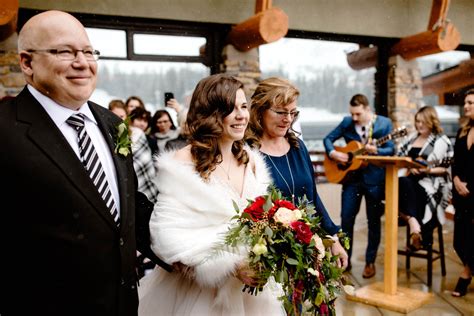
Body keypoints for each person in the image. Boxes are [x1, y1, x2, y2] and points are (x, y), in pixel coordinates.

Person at [0, 10, 169, 316]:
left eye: (89, 51)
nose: (83, 62)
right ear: (27, 63)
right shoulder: (5, 132)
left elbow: (127, 210)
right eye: (65, 51)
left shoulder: (112, 124)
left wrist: (194, 259)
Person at [138, 74, 284, 315]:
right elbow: (166, 236)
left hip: (254, 296)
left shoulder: (253, 161)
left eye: (244, 107)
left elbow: (262, 222)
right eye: (231, 109)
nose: (241, 116)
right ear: (211, 113)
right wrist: (230, 265)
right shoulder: (183, 163)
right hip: (199, 296)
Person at [246, 77, 348, 269]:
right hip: (268, 259)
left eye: (293, 113)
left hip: (305, 254)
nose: (288, 119)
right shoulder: (248, 153)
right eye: (281, 112)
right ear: (260, 111)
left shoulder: (298, 146)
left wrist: (332, 238)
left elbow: (312, 197)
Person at [323, 93, 394, 278]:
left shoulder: (384, 124)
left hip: (374, 180)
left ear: (367, 109)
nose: (354, 118)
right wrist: (333, 153)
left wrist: (376, 149)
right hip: (351, 179)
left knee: (373, 222)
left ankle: (369, 262)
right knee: (346, 219)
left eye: (358, 114)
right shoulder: (347, 122)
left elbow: (391, 149)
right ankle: (344, 260)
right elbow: (327, 139)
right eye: (352, 114)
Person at [397, 106, 453, 251]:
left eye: (423, 122)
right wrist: (410, 167)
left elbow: (446, 168)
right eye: (417, 121)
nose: (419, 125)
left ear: (431, 121)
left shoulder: (442, 141)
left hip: (429, 185)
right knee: (396, 184)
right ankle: (414, 223)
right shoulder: (412, 138)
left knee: (402, 184)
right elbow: (399, 157)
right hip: (409, 183)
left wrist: (428, 169)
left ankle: (416, 227)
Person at [451, 89, 474, 297]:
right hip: (460, 192)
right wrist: (456, 180)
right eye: (466, 102)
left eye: (470, 103)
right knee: (459, 240)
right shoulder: (462, 131)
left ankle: (466, 273)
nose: (466, 106)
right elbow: (455, 162)